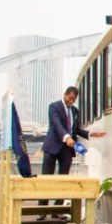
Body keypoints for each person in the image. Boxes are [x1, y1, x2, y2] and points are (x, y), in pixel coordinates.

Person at [39, 86, 106, 217]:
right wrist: (67, 137)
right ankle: (42, 210)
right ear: (65, 95)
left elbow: (76, 130)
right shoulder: (54, 107)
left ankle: (57, 211)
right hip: (53, 146)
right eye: (69, 98)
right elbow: (57, 125)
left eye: (73, 100)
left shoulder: (75, 111)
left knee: (63, 179)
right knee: (46, 178)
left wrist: (92, 134)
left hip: (67, 149)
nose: (71, 102)